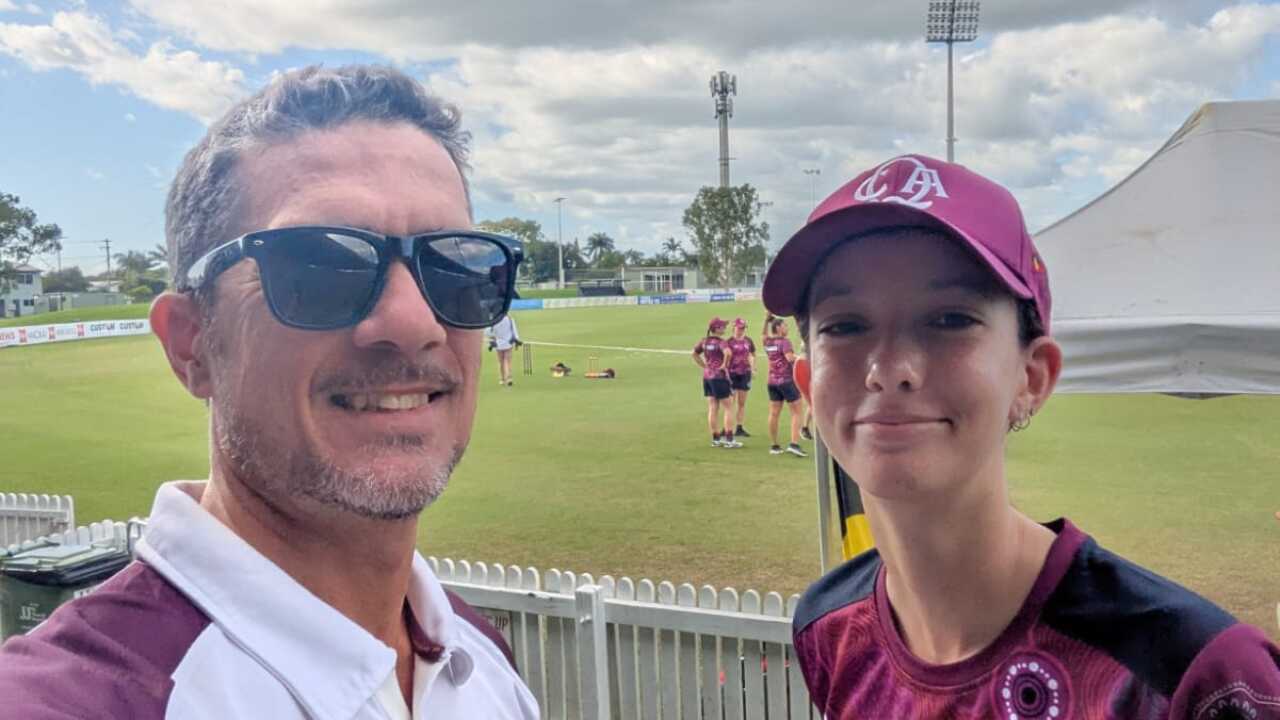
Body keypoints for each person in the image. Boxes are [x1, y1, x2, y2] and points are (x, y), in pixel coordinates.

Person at [0, 65, 539, 719]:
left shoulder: (476, 655)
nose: (413, 323)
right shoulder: (74, 700)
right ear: (191, 344)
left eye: (456, 266)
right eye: (320, 268)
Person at [764, 154, 1280, 718]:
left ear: (1032, 376)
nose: (888, 370)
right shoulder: (829, 627)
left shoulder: (1197, 678)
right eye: (845, 325)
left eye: (950, 319)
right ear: (808, 384)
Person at [760, 314, 807, 457]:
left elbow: (763, 334)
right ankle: (794, 444)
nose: (787, 328)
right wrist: (803, 359)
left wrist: (765, 320)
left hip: (772, 382)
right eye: (785, 325)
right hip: (786, 381)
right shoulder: (784, 342)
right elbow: (790, 358)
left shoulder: (768, 342)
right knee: (797, 412)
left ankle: (774, 446)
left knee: (774, 413)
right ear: (778, 327)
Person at [693, 316, 741, 448]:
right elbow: (728, 353)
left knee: (713, 407)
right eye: (723, 326)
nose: (725, 327)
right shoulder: (721, 342)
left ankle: (716, 438)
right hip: (719, 377)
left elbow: (694, 354)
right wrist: (724, 364)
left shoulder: (704, 341)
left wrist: (704, 366)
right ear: (716, 328)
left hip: (707, 377)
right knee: (729, 407)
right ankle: (729, 439)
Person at [725, 317, 757, 437]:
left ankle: (739, 427)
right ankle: (727, 428)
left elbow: (752, 354)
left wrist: (753, 369)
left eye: (743, 328)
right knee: (730, 403)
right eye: (739, 328)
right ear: (734, 328)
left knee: (742, 403)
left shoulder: (748, 341)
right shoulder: (728, 342)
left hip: (745, 374)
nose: (741, 330)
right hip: (732, 374)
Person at [485, 312, 521, 386]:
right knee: (508, 361)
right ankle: (509, 378)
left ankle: (502, 379)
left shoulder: (494, 319)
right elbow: (514, 330)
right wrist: (517, 340)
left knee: (501, 362)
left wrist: (491, 340)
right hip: (508, 343)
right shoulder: (509, 318)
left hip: (499, 343)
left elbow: (488, 332)